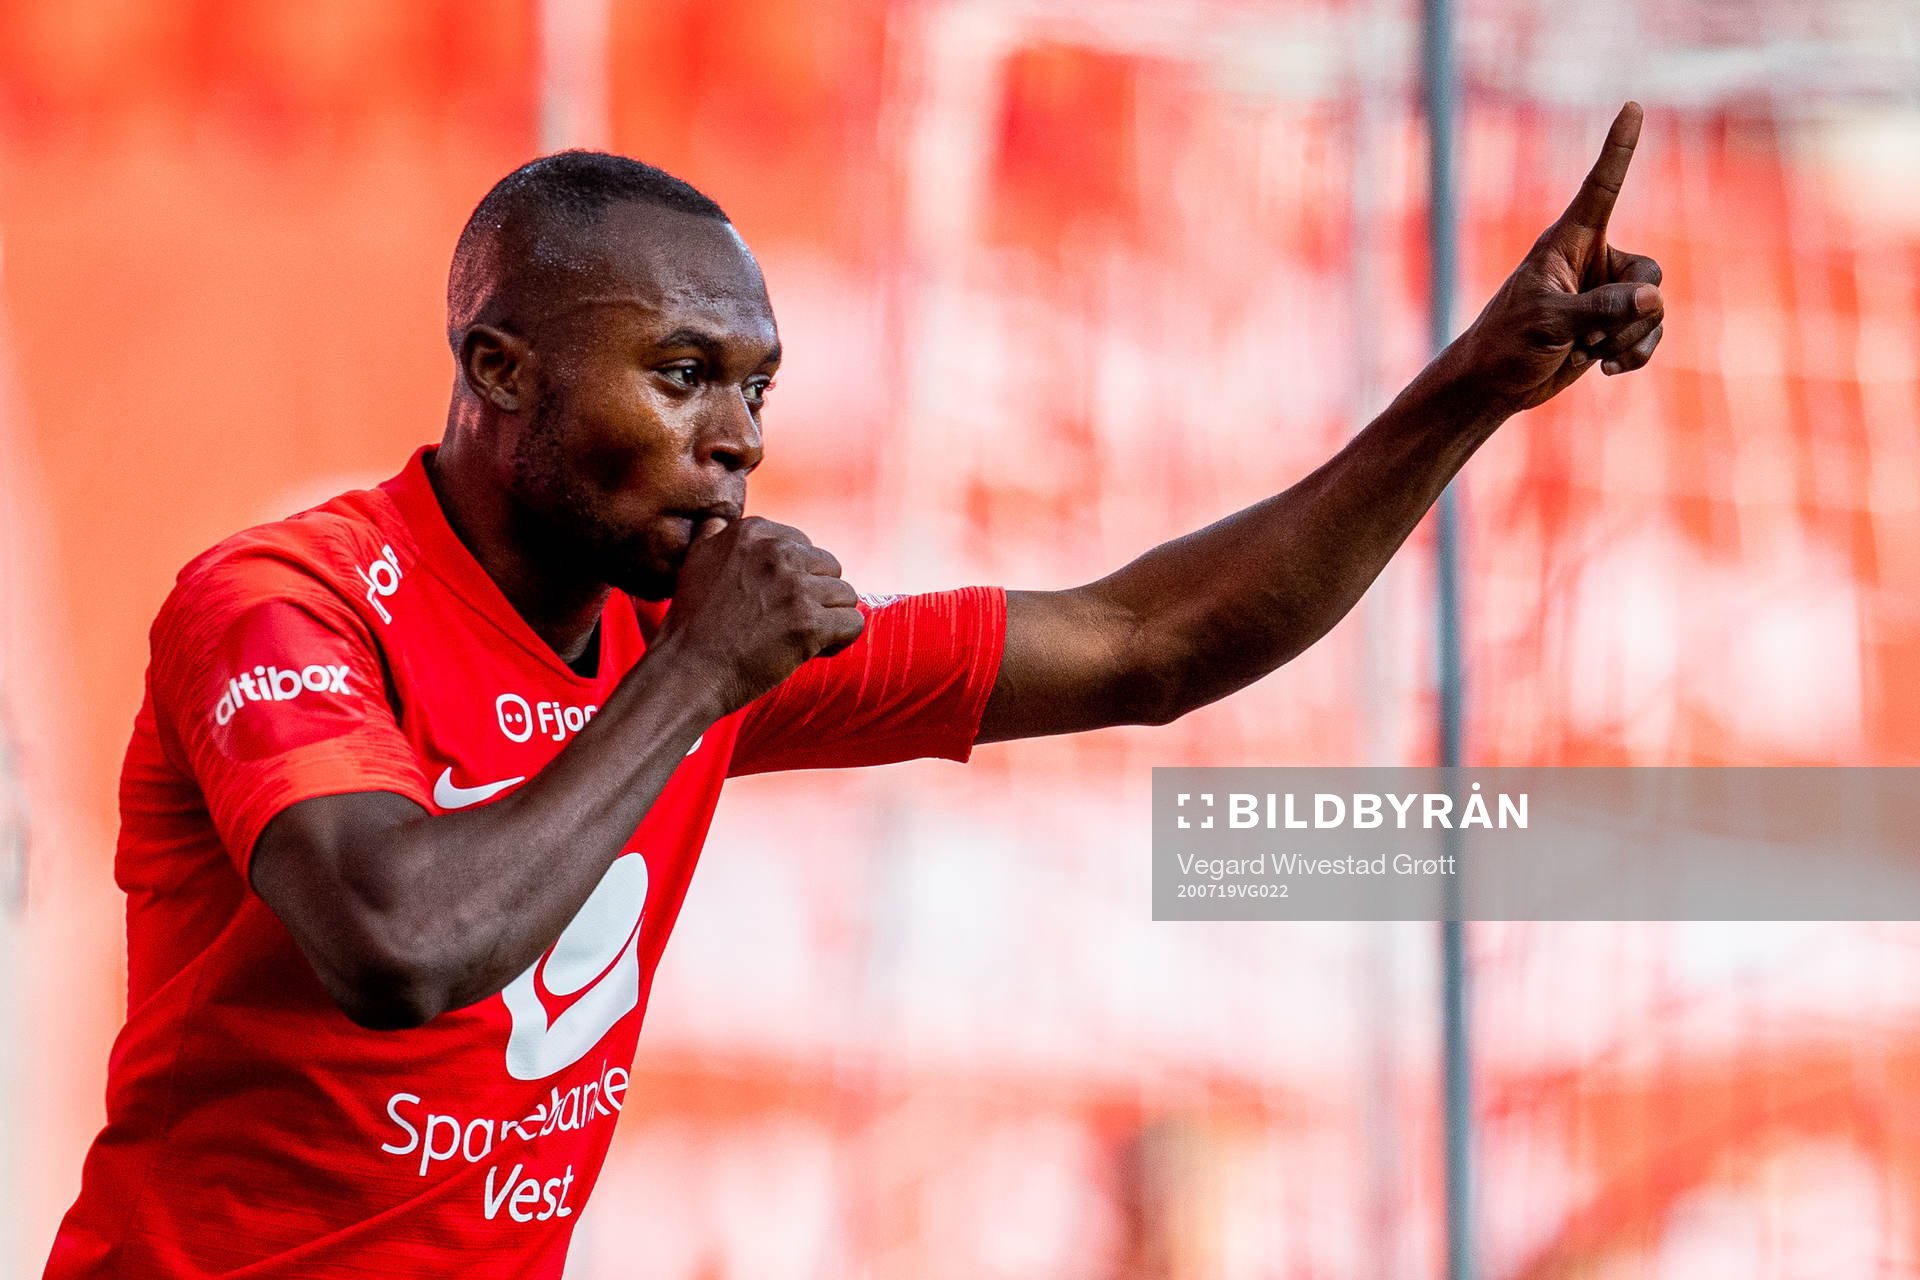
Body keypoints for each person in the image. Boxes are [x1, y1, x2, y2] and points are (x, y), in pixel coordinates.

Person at [44, 102, 1663, 1277]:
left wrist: (1468, 396)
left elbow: (1149, 644)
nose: (737, 438)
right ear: (497, 372)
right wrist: (692, 679)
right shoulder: (283, 601)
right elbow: (398, 946)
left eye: (755, 389)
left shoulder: (695, 635)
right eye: (681, 377)